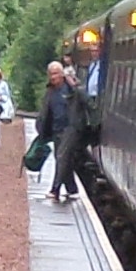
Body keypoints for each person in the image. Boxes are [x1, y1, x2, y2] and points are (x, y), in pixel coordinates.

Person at [38, 58, 86, 203]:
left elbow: (84, 98)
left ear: (62, 74)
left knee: (61, 157)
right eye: (51, 74)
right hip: (56, 129)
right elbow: (46, 112)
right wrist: (41, 128)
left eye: (56, 74)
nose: (53, 77)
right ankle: (72, 189)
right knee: (64, 160)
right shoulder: (50, 91)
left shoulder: (71, 88)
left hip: (70, 128)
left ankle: (55, 190)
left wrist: (75, 85)